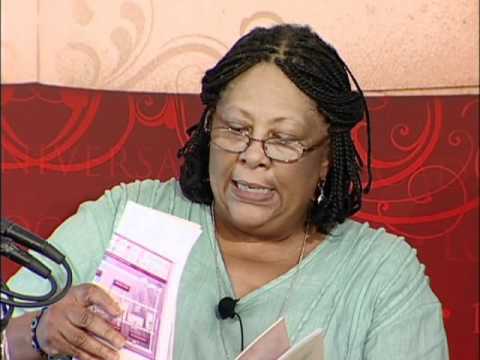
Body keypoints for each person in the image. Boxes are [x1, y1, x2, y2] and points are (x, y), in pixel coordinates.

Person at [5, 24, 448, 359]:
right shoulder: (129, 215)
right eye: (236, 129)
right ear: (209, 130)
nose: (254, 156)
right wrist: (38, 334)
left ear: (325, 159)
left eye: (284, 139)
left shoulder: (383, 275)